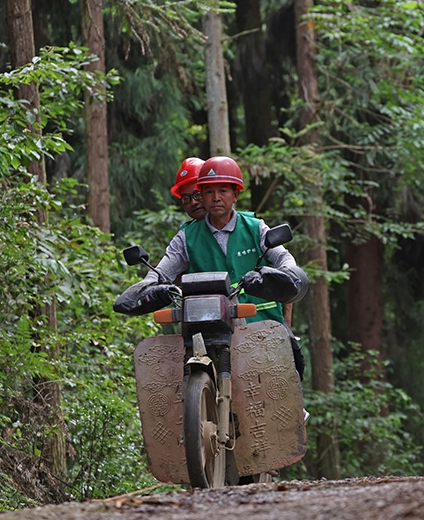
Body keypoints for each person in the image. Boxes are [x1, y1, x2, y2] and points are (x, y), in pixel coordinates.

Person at [114, 156, 308, 379]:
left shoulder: (255, 228)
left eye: (222, 191)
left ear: (235, 195)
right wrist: (147, 285)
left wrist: (287, 274)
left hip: (262, 326)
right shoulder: (187, 237)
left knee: (288, 374)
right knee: (177, 377)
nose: (214, 198)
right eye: (207, 192)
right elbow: (163, 270)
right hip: (209, 328)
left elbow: (284, 258)